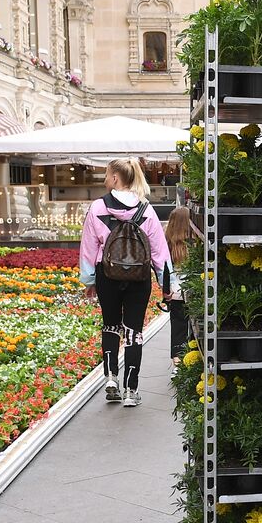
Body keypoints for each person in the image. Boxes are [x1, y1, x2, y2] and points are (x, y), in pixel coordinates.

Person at [79, 157, 172, 405]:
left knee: (110, 324)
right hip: (138, 278)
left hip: (106, 276)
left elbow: (88, 247)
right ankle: (131, 390)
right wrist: (167, 286)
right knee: (134, 331)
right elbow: (159, 252)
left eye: (107, 175)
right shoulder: (147, 210)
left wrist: (88, 279)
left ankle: (111, 378)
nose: (105, 179)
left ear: (116, 178)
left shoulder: (98, 207)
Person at [164, 202, 201, 373]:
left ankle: (177, 365)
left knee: (177, 328)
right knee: (195, 328)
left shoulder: (168, 245)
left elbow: (163, 269)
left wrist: (166, 290)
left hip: (175, 294)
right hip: (193, 292)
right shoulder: (195, 243)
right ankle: (192, 362)